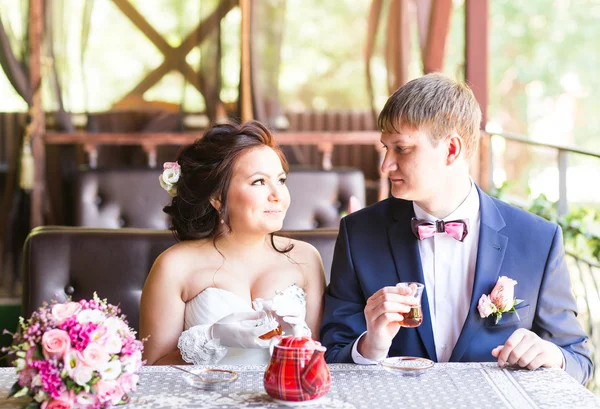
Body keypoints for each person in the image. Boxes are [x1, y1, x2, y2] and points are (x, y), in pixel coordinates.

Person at [319, 73, 593, 384]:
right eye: (386, 148)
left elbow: (578, 360)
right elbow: (330, 355)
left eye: (402, 149)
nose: (385, 166)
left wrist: (551, 356)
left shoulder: (538, 240)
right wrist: (370, 346)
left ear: (451, 149)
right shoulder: (359, 234)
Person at [140, 121, 326, 366]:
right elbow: (151, 371)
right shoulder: (174, 265)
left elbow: (319, 364)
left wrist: (298, 344)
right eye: (259, 182)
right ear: (217, 197)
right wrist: (214, 338)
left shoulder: (306, 259)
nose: (277, 195)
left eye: (281, 180)